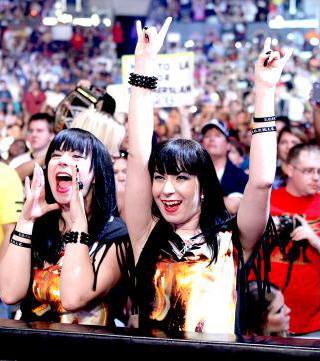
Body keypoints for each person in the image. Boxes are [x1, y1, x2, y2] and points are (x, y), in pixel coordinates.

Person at [124, 18, 292, 334]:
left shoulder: (233, 241)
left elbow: (261, 181)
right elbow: (137, 155)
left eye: (181, 178)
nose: (166, 190)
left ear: (203, 187)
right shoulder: (144, 232)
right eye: (160, 178)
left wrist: (265, 90)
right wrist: (144, 65)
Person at [0, 128, 129, 325]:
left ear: (95, 175)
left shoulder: (115, 234)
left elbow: (73, 298)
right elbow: (9, 293)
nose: (63, 161)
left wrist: (78, 222)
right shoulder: (40, 226)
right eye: (56, 155)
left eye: (77, 156)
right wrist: (25, 222)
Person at [269, 143, 320, 337]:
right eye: (308, 171)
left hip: (314, 323)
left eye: (319, 171)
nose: (316, 177)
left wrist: (314, 239)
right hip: (269, 322)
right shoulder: (266, 202)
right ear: (289, 169)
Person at [201, 118, 249, 214]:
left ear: (228, 145)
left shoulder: (240, 176)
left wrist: (197, 199)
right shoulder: (194, 172)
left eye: (217, 135)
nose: (211, 139)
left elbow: (232, 206)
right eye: (207, 136)